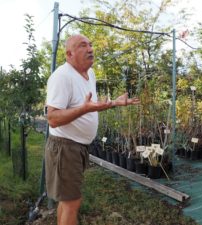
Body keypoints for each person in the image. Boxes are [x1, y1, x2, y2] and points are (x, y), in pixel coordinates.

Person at [45, 34, 139, 225]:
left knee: (67, 200)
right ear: (69, 54)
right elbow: (52, 119)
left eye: (90, 45)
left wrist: (115, 103)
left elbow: (91, 105)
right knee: (72, 202)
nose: (90, 49)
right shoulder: (62, 77)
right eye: (83, 46)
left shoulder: (90, 74)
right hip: (65, 147)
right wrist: (84, 109)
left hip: (78, 147)